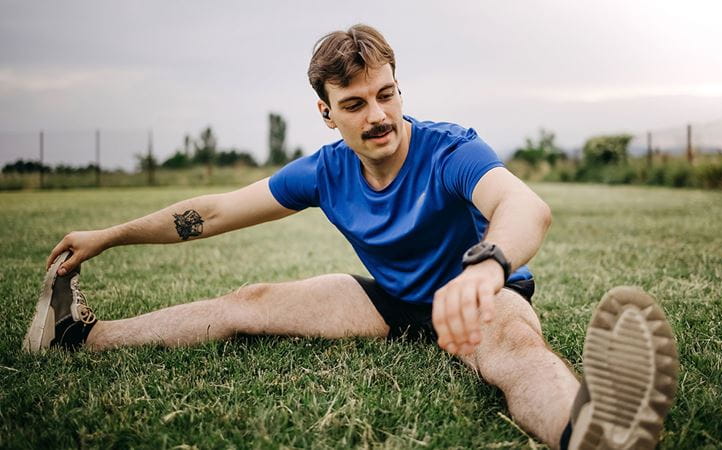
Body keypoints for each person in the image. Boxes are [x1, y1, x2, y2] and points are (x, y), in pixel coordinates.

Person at [22, 24, 678, 449]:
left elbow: (524, 205)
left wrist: (485, 269)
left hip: (479, 292)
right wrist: (109, 235)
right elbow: (215, 212)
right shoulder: (325, 170)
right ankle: (81, 334)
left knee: (511, 346)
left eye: (387, 94)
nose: (380, 114)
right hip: (387, 301)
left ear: (399, 88)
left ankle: (586, 433)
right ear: (327, 111)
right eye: (357, 103)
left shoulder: (451, 149)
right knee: (248, 301)